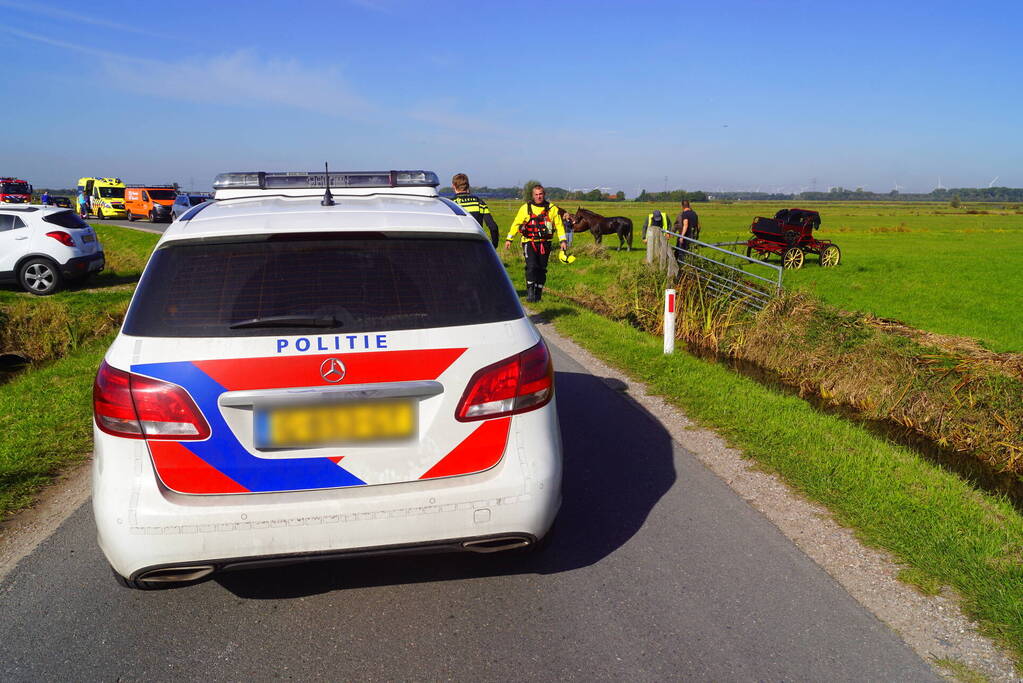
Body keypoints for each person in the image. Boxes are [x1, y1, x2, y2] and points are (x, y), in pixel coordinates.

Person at [504, 184, 568, 302]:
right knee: (532, 266)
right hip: (529, 242)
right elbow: (516, 223)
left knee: (542, 269)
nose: (539, 197)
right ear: (533, 195)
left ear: (544, 194)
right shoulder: (525, 208)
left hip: (545, 243)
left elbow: (559, 226)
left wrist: (563, 241)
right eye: (536, 195)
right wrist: (509, 239)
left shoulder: (552, 209)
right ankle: (530, 293)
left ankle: (538, 293)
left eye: (541, 194)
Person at [450, 173, 500, 247]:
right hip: (477, 246)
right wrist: (494, 246)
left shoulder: (451, 204)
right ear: (468, 186)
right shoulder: (479, 202)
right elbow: (493, 227)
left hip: (457, 246)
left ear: (453, 186)